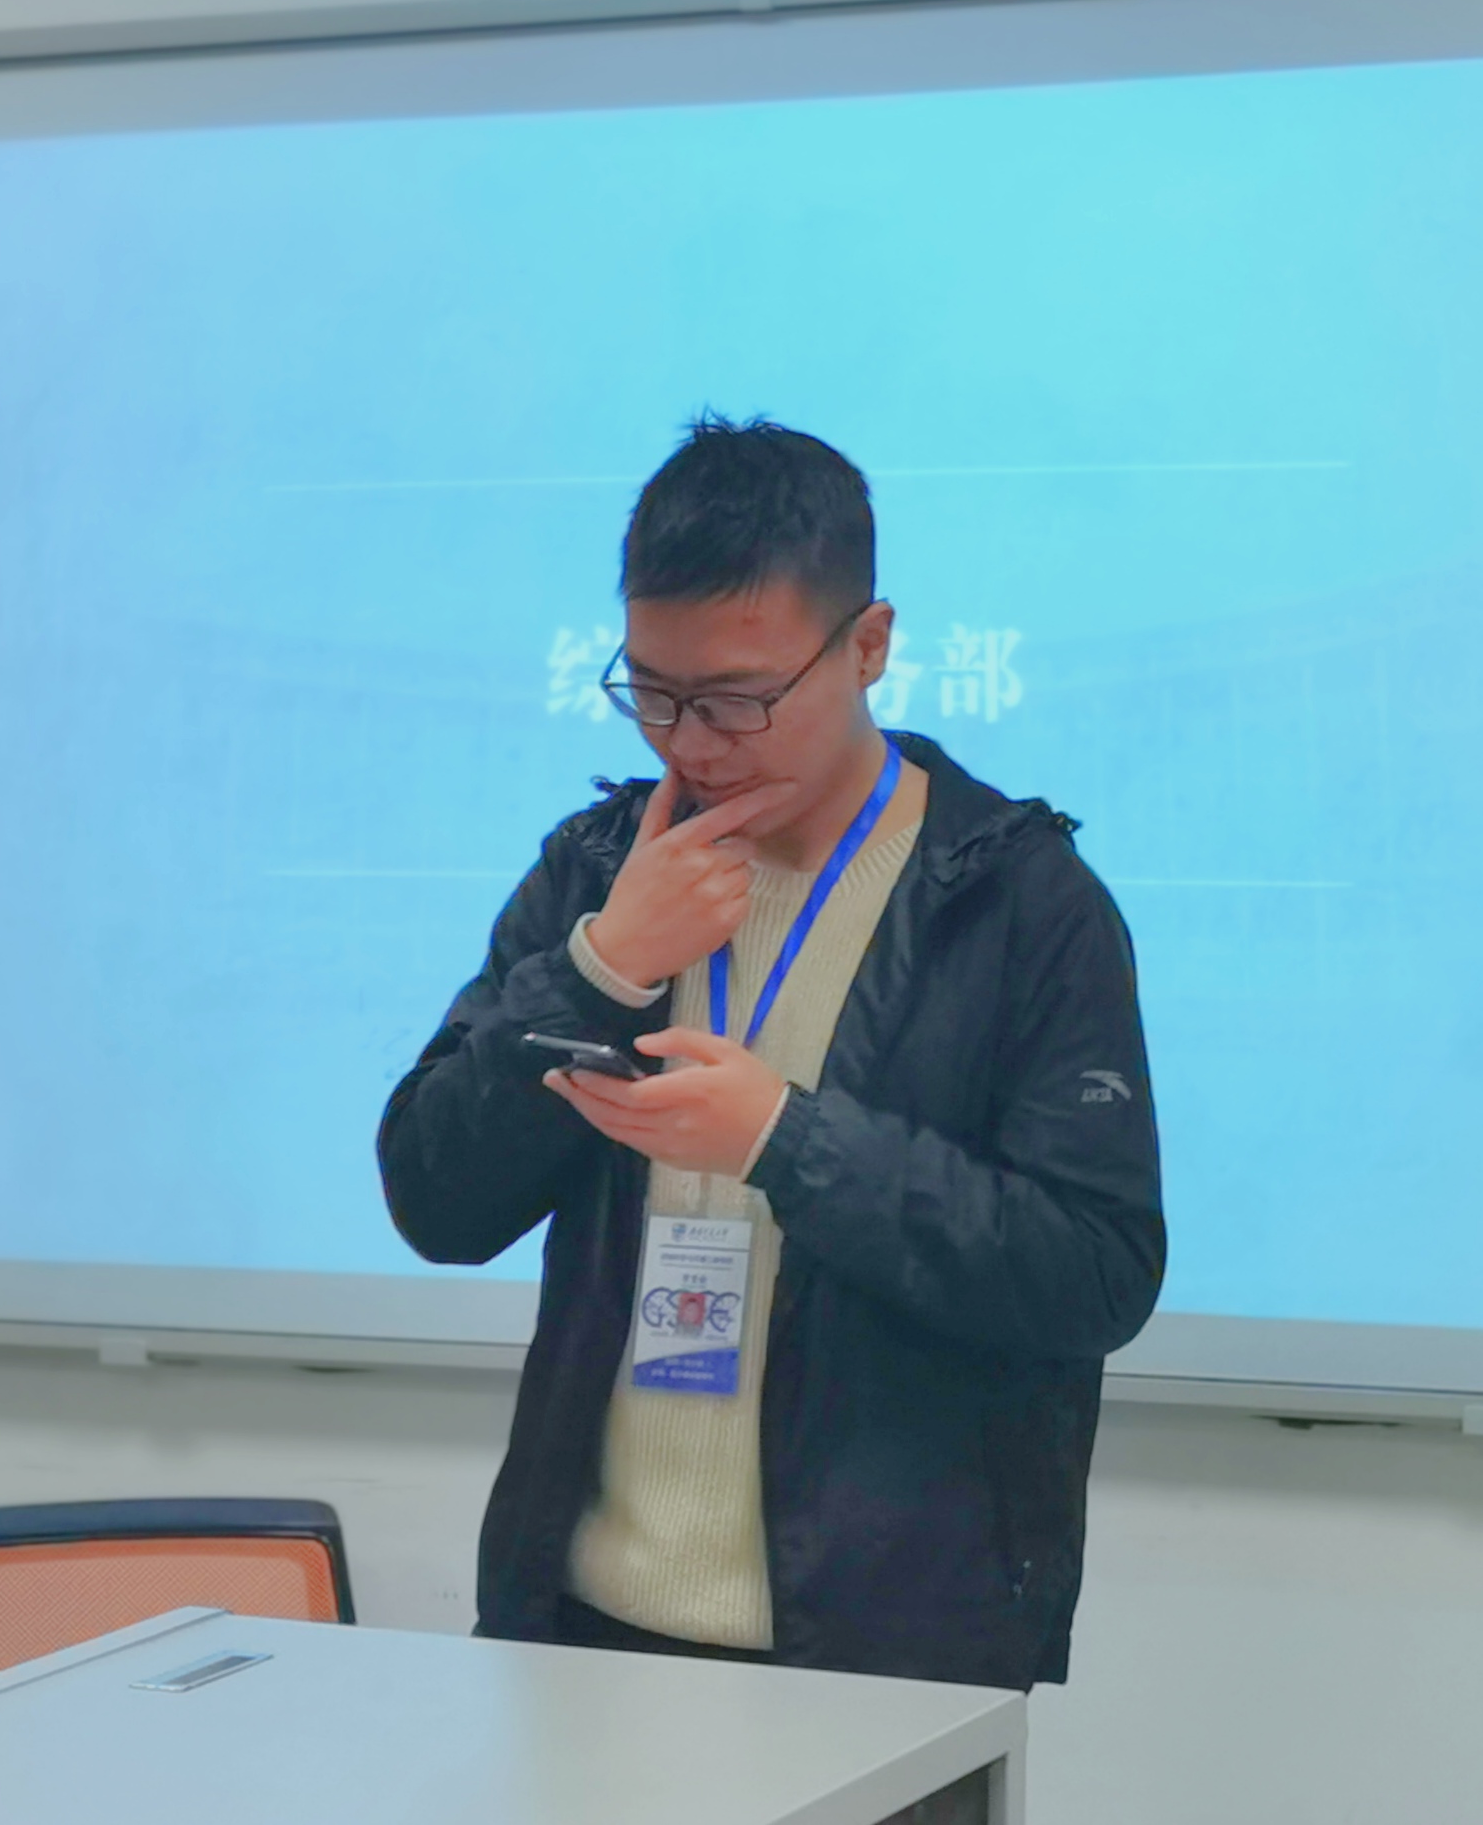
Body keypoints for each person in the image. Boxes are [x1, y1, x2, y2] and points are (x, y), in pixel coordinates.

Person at [379, 415, 1164, 1697]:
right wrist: (598, 970)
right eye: (652, 693)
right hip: (578, 1634)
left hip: (887, 1661)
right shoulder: (598, 871)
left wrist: (785, 1141)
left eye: (738, 699)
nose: (690, 742)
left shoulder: (1018, 902)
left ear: (868, 646)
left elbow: (1094, 1273)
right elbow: (434, 1199)